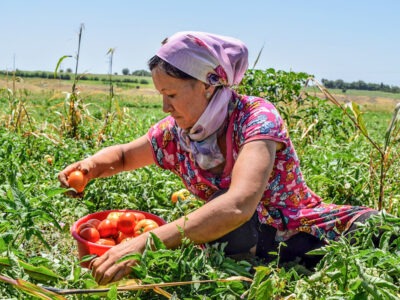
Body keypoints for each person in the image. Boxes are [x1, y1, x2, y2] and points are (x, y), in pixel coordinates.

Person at [58, 31, 377, 285]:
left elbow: (238, 204)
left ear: (208, 85)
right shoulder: (176, 134)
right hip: (248, 242)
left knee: (381, 233)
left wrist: (145, 243)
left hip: (310, 230)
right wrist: (89, 166)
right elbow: (126, 155)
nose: (165, 108)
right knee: (222, 221)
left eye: (171, 95)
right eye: (161, 96)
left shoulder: (256, 117)